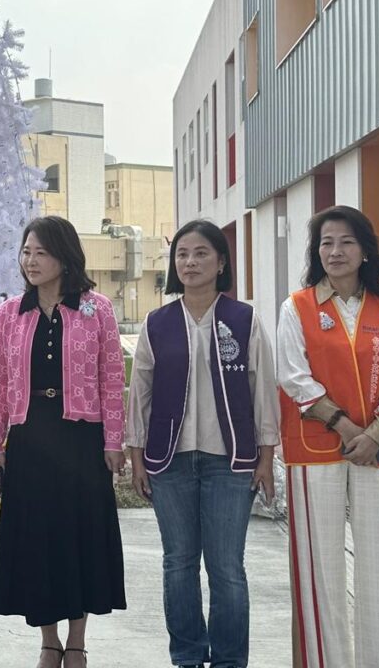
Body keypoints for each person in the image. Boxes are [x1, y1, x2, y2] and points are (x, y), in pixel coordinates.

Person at [126, 220, 279, 668]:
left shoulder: (243, 320)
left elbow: (262, 390)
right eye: (182, 254)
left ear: (221, 262)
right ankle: (188, 656)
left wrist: (266, 458)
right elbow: (141, 392)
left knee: (227, 567)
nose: (190, 262)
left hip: (230, 462)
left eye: (200, 253)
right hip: (168, 460)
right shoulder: (158, 323)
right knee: (178, 562)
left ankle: (229, 659)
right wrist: (136, 455)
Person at [0, 215, 127, 668]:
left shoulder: (96, 308)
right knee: (38, 541)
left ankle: (77, 641)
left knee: (78, 537)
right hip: (29, 438)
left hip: (81, 438)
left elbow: (112, 377)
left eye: (41, 252)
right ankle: (49, 641)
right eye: (26, 252)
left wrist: (114, 440)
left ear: (65, 258)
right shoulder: (9, 312)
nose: (31, 261)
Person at [277, 205, 379, 668]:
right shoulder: (296, 307)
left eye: (346, 242)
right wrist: (347, 427)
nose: (335, 251)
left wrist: (376, 434)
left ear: (365, 250)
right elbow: (292, 376)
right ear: (317, 252)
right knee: (319, 567)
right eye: (326, 243)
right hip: (315, 448)